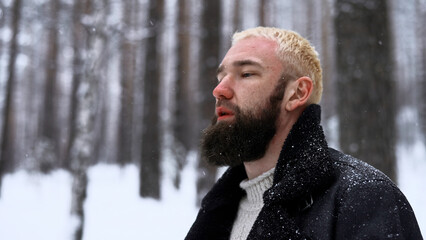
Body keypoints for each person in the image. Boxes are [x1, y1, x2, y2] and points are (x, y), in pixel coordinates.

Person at [185, 27, 423, 240]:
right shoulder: (221, 208)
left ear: (297, 93)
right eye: (220, 77)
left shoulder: (363, 198)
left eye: (246, 74)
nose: (219, 90)